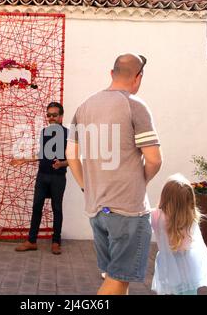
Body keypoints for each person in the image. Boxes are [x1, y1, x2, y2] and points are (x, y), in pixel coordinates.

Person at [66, 53, 162, 295]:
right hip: (128, 210)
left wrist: (85, 187)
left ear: (111, 73)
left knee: (116, 277)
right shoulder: (135, 105)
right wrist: (141, 181)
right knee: (118, 279)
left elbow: (71, 155)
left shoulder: (84, 106)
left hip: (98, 209)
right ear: (138, 78)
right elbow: (154, 159)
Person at [11, 102, 68, 255]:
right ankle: (31, 241)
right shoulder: (44, 133)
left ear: (61, 117)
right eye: (48, 115)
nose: (51, 118)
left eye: (54, 115)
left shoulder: (69, 134)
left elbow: (75, 158)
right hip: (42, 176)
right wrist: (24, 159)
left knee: (57, 209)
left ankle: (56, 242)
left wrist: (62, 163)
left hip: (58, 178)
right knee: (36, 208)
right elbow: (42, 155)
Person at [151, 173, 207, 295]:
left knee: (170, 291)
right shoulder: (191, 215)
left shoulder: (155, 215)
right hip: (190, 263)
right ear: (190, 198)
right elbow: (199, 243)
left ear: (164, 196)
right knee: (190, 292)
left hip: (168, 263)